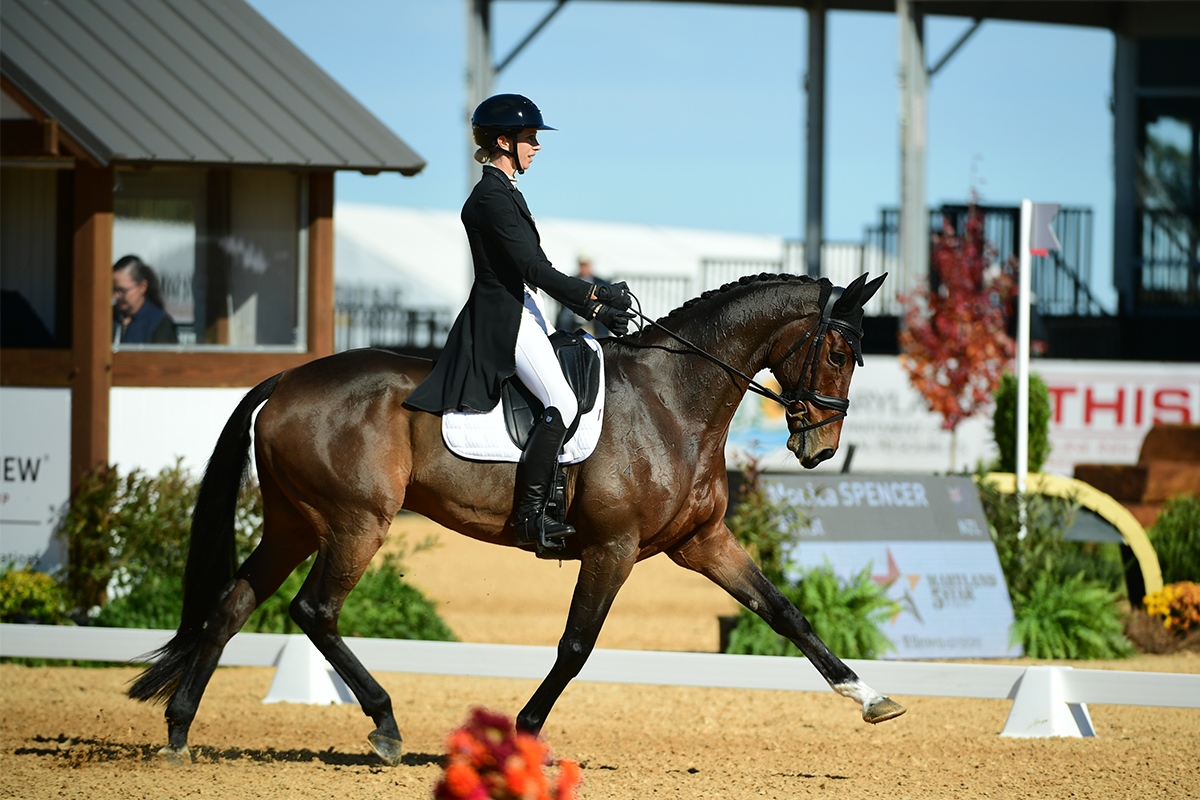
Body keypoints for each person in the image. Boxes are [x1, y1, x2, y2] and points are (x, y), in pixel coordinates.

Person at [404, 94, 633, 555]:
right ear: (503, 141)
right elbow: (533, 267)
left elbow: (537, 267)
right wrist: (594, 296)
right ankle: (532, 516)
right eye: (529, 138)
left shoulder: (508, 192)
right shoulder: (490, 197)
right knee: (563, 402)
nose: (537, 146)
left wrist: (596, 307)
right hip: (504, 318)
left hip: (524, 309)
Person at [112, 255, 178, 345]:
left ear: (142, 286)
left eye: (123, 290)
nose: (116, 295)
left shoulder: (159, 323)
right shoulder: (108, 317)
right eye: (114, 289)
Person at [555, 253, 614, 335]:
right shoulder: (572, 280)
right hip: (573, 311)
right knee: (564, 318)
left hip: (593, 310)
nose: (584, 268)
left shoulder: (601, 282)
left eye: (586, 265)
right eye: (582, 265)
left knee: (602, 318)